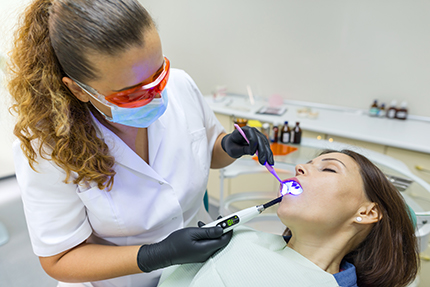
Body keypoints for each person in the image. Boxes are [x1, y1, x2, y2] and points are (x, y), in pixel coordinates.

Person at [7, 0, 274, 286]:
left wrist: (227, 147)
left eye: (159, 75)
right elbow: (60, 259)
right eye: (131, 94)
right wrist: (155, 255)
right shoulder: (47, 147)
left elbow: (209, 151)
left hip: (200, 271)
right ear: (78, 89)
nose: (157, 97)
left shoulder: (181, 86)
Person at [157, 150, 419, 287]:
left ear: (366, 212)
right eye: (308, 163)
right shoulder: (241, 237)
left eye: (328, 168)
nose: (299, 167)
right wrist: (160, 255)